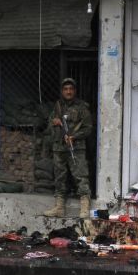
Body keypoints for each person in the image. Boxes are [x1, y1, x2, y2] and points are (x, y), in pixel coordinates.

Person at [43, 78, 93, 218]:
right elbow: (49, 126)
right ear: (62, 91)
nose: (68, 91)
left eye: (71, 89)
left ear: (75, 91)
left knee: (80, 176)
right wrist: (54, 122)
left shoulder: (82, 107)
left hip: (75, 148)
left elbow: (88, 128)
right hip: (59, 148)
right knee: (59, 177)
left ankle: (84, 208)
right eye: (65, 89)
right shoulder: (58, 106)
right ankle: (59, 208)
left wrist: (74, 136)